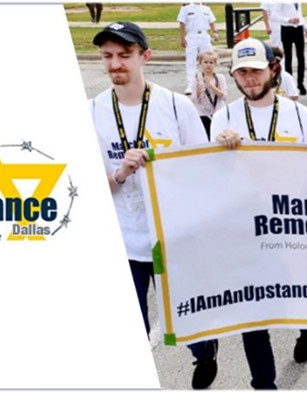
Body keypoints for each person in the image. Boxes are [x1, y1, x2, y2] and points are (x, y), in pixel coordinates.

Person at [89, 21, 219, 390]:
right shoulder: (93, 111)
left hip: (172, 235)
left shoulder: (176, 106)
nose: (115, 64)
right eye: (108, 56)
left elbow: (203, 170)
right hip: (124, 238)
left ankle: (205, 351)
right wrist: (120, 173)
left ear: (144, 56)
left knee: (189, 317)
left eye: (124, 55)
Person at [210, 38, 307, 389]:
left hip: (293, 224)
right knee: (251, 312)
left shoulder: (299, 115)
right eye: (241, 72)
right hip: (246, 230)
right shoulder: (223, 117)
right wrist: (218, 152)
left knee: (303, 294)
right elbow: (209, 179)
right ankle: (264, 383)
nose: (249, 78)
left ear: (272, 69)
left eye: (256, 70)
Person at [263, 3, 307, 95]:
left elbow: (299, 15)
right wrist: (287, 20)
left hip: (298, 28)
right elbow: (274, 15)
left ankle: (300, 83)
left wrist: (306, 28)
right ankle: (291, 83)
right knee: (288, 57)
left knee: (301, 56)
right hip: (286, 28)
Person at [177, 2, 219, 94]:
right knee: (191, 60)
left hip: (204, 35)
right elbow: (182, 23)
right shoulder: (186, 7)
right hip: (192, 35)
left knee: (208, 58)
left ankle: (208, 82)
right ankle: (191, 85)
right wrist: (182, 38)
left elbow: (211, 21)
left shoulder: (206, 7)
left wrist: (215, 32)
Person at [189, 50, 227, 138]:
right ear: (200, 63)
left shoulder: (219, 78)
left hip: (217, 111)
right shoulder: (197, 78)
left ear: (215, 64)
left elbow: (224, 96)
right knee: (205, 136)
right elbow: (194, 99)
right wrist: (198, 92)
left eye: (211, 62)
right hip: (203, 113)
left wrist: (212, 86)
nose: (208, 65)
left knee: (218, 136)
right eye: (205, 62)